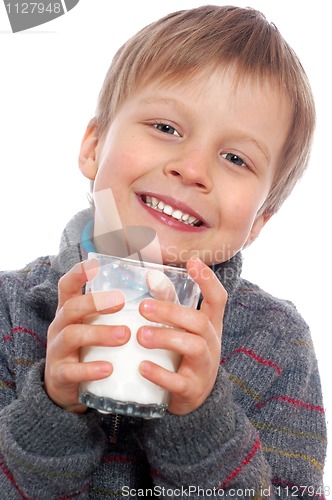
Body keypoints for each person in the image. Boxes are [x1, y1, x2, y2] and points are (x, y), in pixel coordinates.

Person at [0, 5, 327, 499]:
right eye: (166, 128)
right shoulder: (11, 311)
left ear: (258, 222)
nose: (193, 168)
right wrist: (51, 411)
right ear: (93, 146)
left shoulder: (276, 344)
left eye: (235, 158)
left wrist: (200, 422)